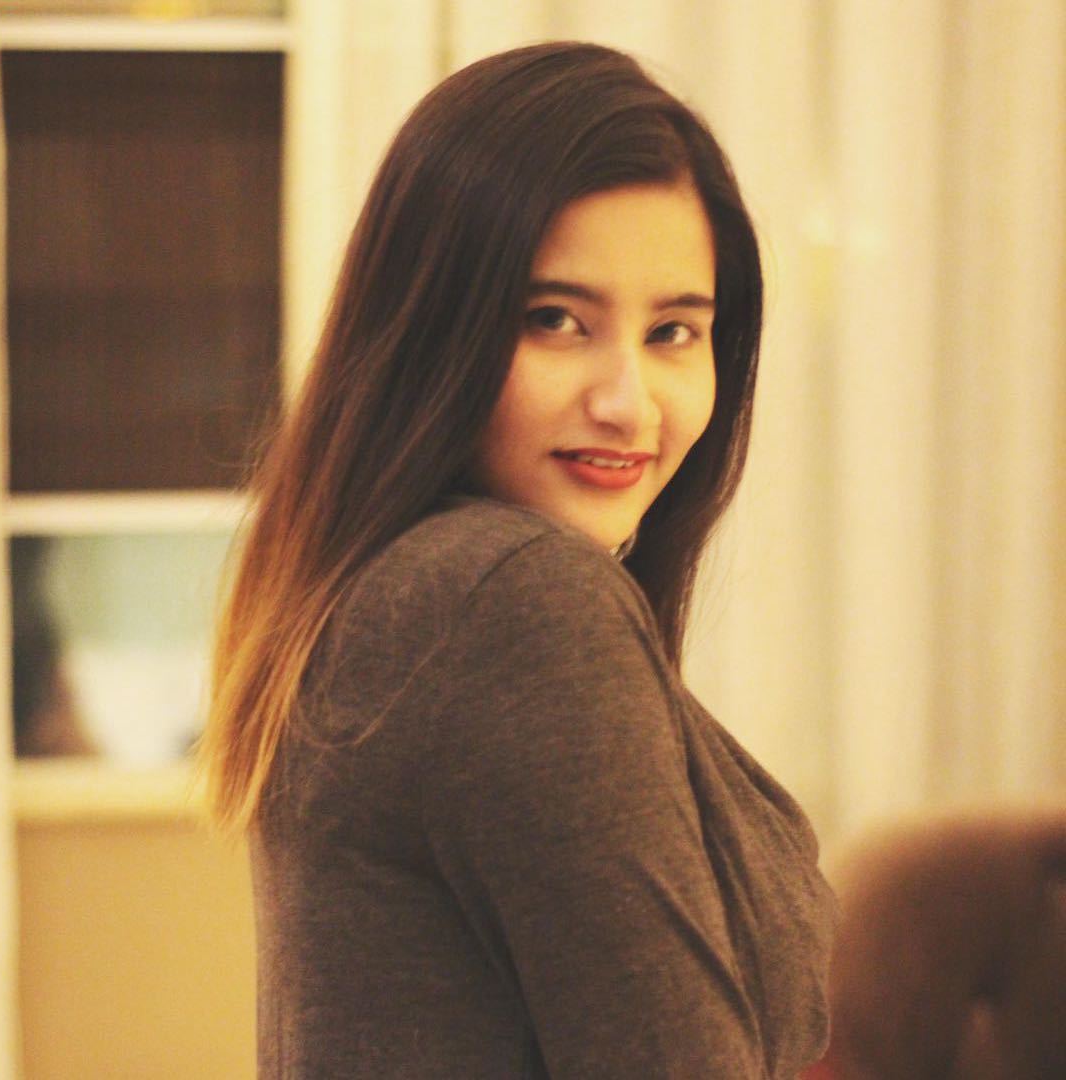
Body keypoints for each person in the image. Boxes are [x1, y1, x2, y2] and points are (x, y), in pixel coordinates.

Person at [198, 41, 835, 1078]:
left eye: (674, 332)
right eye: (555, 321)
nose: (627, 402)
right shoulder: (508, 602)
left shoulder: (400, 589)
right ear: (429, 330)